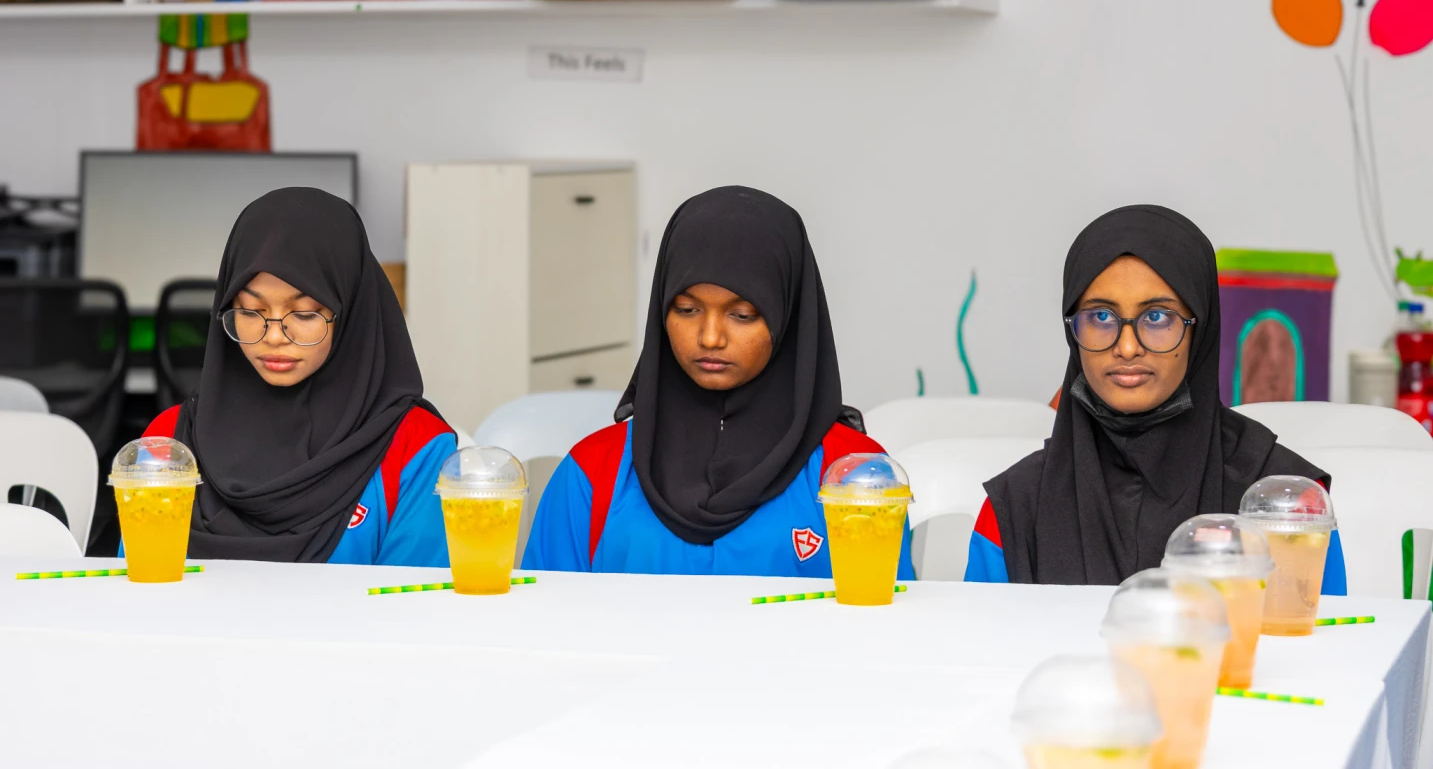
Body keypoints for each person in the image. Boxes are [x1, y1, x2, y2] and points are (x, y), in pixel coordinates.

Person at [523, 186, 915, 578]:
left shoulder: (855, 479)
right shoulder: (592, 472)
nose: (710, 337)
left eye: (742, 315)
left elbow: (883, 614)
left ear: (788, 318)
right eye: (687, 309)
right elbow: (544, 613)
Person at [964, 205, 1347, 590]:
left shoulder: (1286, 506)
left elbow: (1325, 627)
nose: (1128, 347)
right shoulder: (1014, 509)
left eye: (1157, 317)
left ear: (1200, 329)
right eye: (1101, 317)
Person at [141, 187, 456, 566]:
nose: (274, 336)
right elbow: (141, 585)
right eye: (250, 311)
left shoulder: (416, 448)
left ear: (352, 314)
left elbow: (414, 598)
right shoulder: (168, 442)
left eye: (305, 314)